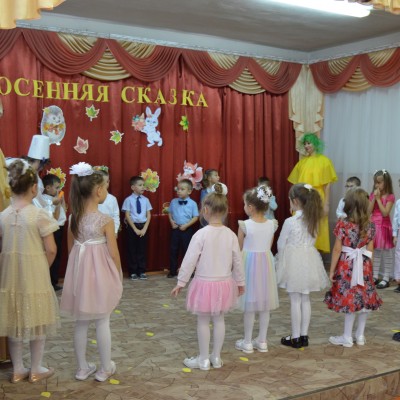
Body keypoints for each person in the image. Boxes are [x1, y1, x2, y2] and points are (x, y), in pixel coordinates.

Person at [171, 183, 245, 370]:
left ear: (205, 210)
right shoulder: (230, 235)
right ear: (225, 211)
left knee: (203, 321)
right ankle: (216, 357)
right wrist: (240, 282)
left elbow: (189, 260)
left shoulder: (200, 234)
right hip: (224, 283)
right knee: (219, 320)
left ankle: (203, 359)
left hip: (204, 283)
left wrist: (181, 282)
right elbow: (238, 260)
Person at [60, 162, 123, 382]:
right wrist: (118, 276)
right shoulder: (106, 220)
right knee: (102, 320)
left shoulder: (73, 218)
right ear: (98, 191)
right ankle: (105, 368)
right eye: (105, 187)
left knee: (81, 322)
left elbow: (71, 250)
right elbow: (113, 254)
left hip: (79, 274)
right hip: (101, 275)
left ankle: (82, 368)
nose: (106, 191)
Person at [0, 159, 59, 383]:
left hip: (9, 276)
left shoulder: (3, 215)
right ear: (34, 188)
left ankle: (18, 369)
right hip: (35, 275)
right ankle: (36, 368)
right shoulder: (39, 214)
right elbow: (51, 249)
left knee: (14, 319)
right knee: (38, 320)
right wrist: (42, 268)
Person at [325, 188, 382, 347]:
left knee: (350, 298)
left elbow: (337, 249)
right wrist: (369, 269)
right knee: (364, 298)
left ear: (349, 205)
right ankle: (360, 335)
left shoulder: (343, 224)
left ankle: (347, 337)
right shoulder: (370, 225)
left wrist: (332, 270)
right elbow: (370, 249)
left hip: (347, 266)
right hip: (364, 264)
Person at [276, 183, 330, 348]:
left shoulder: (290, 221)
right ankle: (304, 336)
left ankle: (295, 337)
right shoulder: (314, 220)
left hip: (294, 261)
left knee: (295, 300)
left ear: (295, 201)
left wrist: (281, 262)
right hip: (309, 261)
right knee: (305, 298)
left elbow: (281, 244)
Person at [235, 185, 279, 354]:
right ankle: (262, 341)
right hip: (266, 264)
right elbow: (268, 246)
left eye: (244, 204)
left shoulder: (244, 225)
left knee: (250, 304)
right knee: (264, 304)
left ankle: (247, 342)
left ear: (251, 207)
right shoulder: (272, 224)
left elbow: (239, 249)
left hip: (249, 264)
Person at [288, 133, 337, 253]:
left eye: (309, 143)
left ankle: (313, 257)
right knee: (300, 226)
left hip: (317, 198)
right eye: (305, 144)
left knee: (316, 227)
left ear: (315, 144)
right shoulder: (302, 163)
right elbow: (295, 185)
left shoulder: (325, 161)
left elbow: (327, 185)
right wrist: (292, 203)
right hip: (301, 198)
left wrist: (326, 204)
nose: (306, 146)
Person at [122, 176, 152, 280]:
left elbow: (148, 214)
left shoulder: (146, 200)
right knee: (132, 249)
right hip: (132, 227)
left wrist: (145, 228)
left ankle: (142, 271)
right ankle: (133, 271)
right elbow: (127, 215)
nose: (143, 187)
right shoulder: (128, 200)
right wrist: (135, 229)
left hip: (143, 226)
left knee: (142, 250)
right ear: (133, 187)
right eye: (140, 185)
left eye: (143, 185)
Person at [167, 179, 199, 278]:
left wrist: (186, 225)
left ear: (189, 191)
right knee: (173, 250)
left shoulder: (192, 203)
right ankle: (172, 271)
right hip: (175, 229)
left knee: (187, 251)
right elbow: (170, 212)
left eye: (182, 189)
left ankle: (188, 271)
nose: (179, 191)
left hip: (187, 230)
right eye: (178, 189)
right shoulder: (173, 201)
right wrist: (172, 222)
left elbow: (195, 217)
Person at [368, 169, 394, 289]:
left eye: (379, 182)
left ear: (386, 182)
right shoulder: (373, 195)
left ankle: (386, 278)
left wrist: (378, 199)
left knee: (387, 252)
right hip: (374, 226)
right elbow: (368, 211)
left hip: (384, 226)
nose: (377, 185)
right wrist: (374, 198)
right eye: (375, 182)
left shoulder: (390, 196)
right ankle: (375, 276)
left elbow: (385, 213)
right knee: (376, 251)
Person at [42, 173, 67, 291]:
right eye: (56, 187)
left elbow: (64, 210)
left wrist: (62, 201)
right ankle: (50, 282)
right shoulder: (46, 200)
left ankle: (54, 280)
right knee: (53, 254)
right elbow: (54, 218)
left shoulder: (55, 198)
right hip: (53, 229)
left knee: (58, 254)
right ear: (47, 187)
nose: (59, 190)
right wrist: (57, 204)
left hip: (60, 228)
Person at [93, 166, 120, 236]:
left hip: (109, 231)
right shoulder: (91, 198)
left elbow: (116, 215)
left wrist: (115, 231)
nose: (104, 184)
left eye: (107, 181)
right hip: (94, 232)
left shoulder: (112, 199)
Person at [393, 179, 400, 293]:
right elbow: (395, 219)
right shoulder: (399, 202)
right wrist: (394, 235)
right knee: (398, 255)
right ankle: (399, 280)